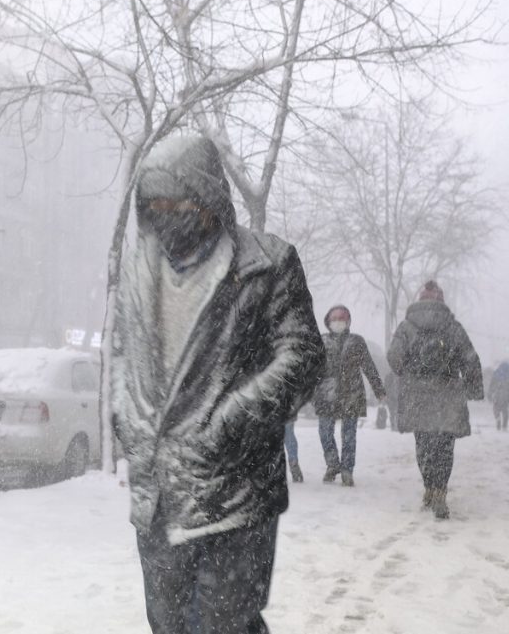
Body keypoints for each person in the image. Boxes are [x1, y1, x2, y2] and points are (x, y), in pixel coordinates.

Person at [110, 135, 325, 634]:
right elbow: (124, 355)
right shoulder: (138, 269)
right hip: (158, 493)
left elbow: (302, 356)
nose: (165, 216)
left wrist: (230, 421)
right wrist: (129, 419)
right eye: (154, 205)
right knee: (169, 626)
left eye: (176, 203)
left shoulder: (265, 264)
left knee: (223, 626)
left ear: (208, 199)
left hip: (234, 489)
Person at [387, 280, 483, 519]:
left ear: (420, 300)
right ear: (441, 301)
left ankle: (429, 487)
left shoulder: (407, 326)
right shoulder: (453, 326)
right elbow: (470, 358)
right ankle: (440, 491)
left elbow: (393, 356)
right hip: (448, 393)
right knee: (444, 447)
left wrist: (408, 373)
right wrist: (473, 389)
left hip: (417, 395)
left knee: (424, 444)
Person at [312, 305, 385, 487]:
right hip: (326, 394)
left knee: (349, 436)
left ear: (348, 322)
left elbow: (368, 366)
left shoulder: (356, 341)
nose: (338, 322)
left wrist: (379, 390)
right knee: (325, 433)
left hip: (351, 393)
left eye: (342, 319)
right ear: (328, 322)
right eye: (334, 319)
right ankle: (332, 464)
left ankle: (347, 470)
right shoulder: (321, 341)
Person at [489, 361, 509, 430]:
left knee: (496, 409)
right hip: (507, 396)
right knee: (505, 411)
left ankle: (498, 418)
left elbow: (491, 387)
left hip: (497, 396)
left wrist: (489, 395)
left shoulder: (495, 375)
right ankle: (504, 426)